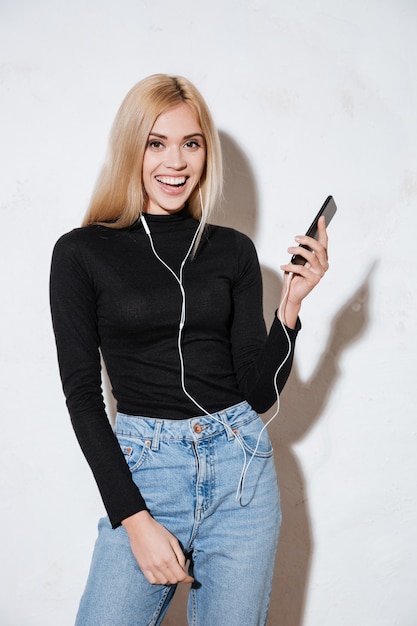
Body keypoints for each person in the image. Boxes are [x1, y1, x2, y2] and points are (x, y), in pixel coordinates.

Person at [50, 74, 329, 626]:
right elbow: (83, 398)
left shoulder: (233, 251)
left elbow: (257, 390)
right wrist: (134, 519)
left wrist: (291, 307)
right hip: (145, 473)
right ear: (132, 147)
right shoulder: (82, 252)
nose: (175, 162)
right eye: (157, 142)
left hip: (241, 474)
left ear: (207, 152)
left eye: (191, 143)